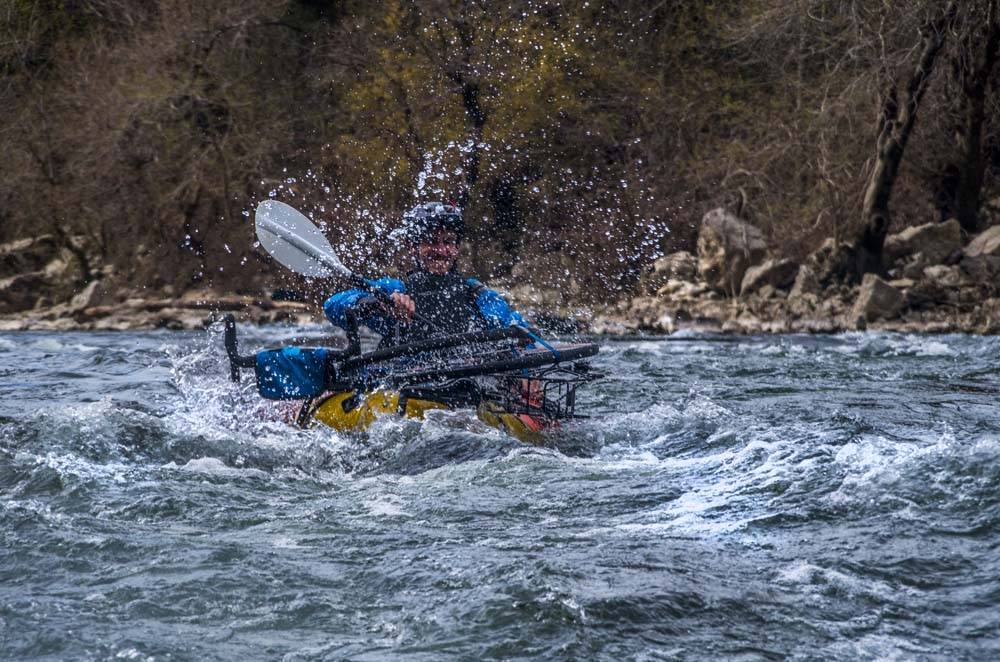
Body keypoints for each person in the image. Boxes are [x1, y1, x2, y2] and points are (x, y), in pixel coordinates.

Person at [323, 202, 532, 346]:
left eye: (448, 242)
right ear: (413, 247)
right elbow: (333, 306)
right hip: (408, 390)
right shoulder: (395, 290)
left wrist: (524, 361)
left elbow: (515, 325)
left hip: (465, 391)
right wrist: (374, 304)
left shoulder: (477, 295)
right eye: (431, 242)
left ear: (457, 249)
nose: (441, 251)